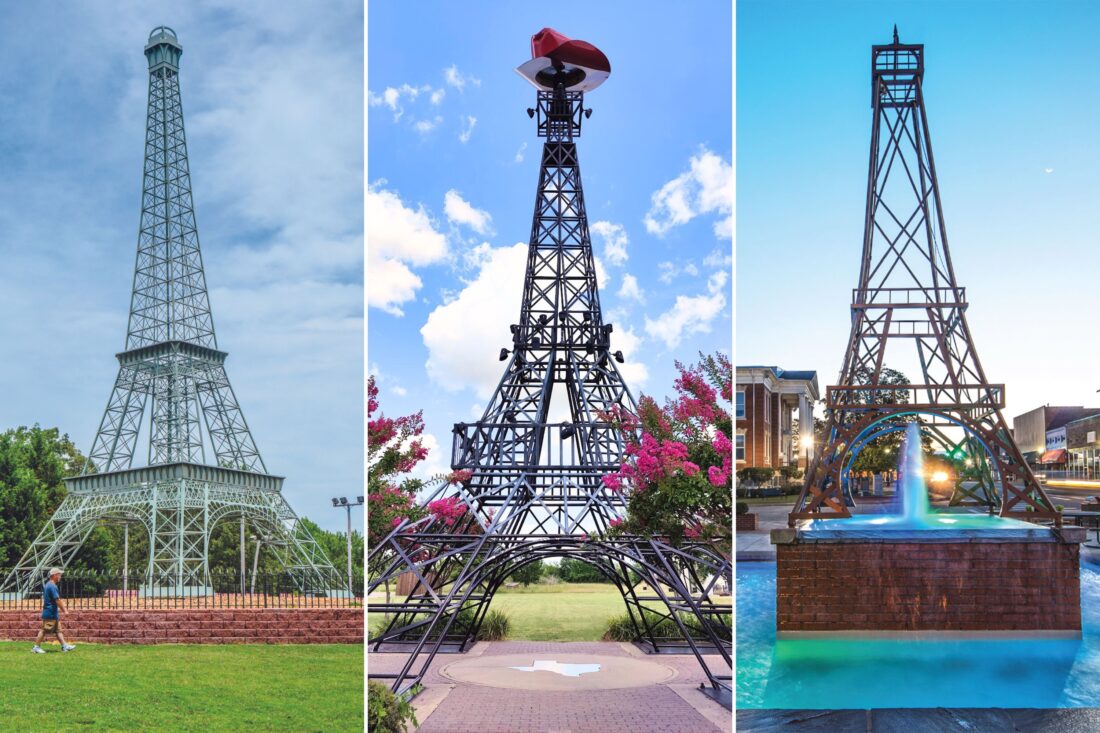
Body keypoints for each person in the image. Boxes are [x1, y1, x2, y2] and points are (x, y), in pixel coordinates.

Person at [32, 568, 75, 654]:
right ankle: (36, 647)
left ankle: (64, 646)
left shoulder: (49, 585)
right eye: (59, 575)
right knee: (44, 630)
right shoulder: (52, 586)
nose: (60, 576)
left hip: (52, 613)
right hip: (50, 613)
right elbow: (57, 600)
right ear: (54, 575)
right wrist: (65, 610)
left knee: (58, 631)